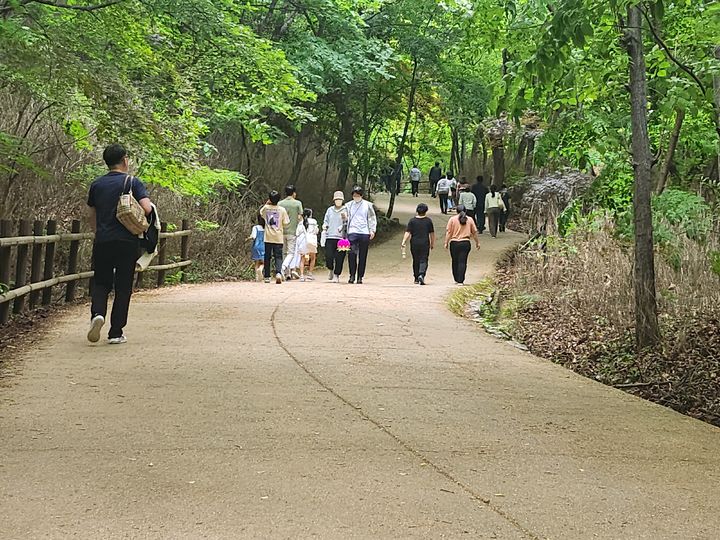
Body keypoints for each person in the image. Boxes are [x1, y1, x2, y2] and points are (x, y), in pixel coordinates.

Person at [86, 144, 152, 344]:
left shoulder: (96, 185)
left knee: (101, 282)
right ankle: (115, 332)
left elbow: (91, 215)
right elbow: (147, 208)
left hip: (103, 240)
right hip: (127, 241)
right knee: (123, 287)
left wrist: (98, 233)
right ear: (124, 160)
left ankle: (98, 314)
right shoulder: (132, 182)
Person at [345, 186, 377, 284]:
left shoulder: (368, 205)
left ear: (361, 195)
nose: (356, 196)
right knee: (351, 254)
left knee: (363, 255)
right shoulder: (348, 205)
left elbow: (372, 218)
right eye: (354, 195)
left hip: (364, 232)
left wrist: (372, 230)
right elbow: (345, 218)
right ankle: (352, 275)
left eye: (358, 195)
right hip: (352, 231)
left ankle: (360, 276)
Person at [444, 204, 480, 285]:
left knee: (455, 261)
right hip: (465, 243)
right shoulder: (470, 219)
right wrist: (477, 242)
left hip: (454, 243)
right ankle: (461, 280)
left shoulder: (452, 219)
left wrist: (446, 242)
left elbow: (449, 232)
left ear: (456, 211)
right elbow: (474, 232)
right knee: (462, 261)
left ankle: (456, 278)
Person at [259, 190, 290, 284]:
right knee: (278, 256)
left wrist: (266, 203)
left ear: (270, 199)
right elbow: (286, 223)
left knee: (267, 256)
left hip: (268, 237)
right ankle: (278, 273)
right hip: (278, 237)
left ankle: (267, 276)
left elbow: (261, 213)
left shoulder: (266, 208)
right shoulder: (282, 209)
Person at [401, 203, 435, 285]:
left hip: (414, 243)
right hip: (425, 243)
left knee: (415, 260)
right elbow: (432, 234)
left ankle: (416, 278)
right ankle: (421, 274)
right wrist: (432, 243)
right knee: (424, 259)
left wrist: (404, 241)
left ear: (417, 211)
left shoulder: (412, 221)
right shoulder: (428, 221)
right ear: (426, 211)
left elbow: (408, 232)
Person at [322, 191, 348, 283]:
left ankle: (337, 275)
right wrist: (325, 226)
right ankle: (330, 269)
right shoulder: (330, 210)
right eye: (336, 199)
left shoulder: (346, 209)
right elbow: (326, 220)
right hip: (330, 236)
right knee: (329, 256)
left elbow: (349, 222)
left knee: (339, 257)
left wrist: (345, 220)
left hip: (342, 238)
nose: (338, 201)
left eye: (340, 199)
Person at [278, 185, 304, 279]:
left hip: (281, 231)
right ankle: (283, 268)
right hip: (292, 231)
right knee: (291, 253)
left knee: (284, 252)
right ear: (294, 193)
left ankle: (287, 273)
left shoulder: (280, 203)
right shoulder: (297, 203)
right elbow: (300, 217)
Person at [289, 211, 308, 282]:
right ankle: (300, 273)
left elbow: (297, 233)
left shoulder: (300, 224)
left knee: (297, 256)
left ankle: (296, 271)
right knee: (302, 258)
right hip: (305, 243)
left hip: (299, 242)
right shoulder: (306, 223)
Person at [248, 214, 265, 282]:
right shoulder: (267, 228)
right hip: (264, 246)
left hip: (256, 246)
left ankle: (257, 277)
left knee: (257, 262)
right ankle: (260, 269)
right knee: (263, 262)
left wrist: (249, 238)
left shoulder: (255, 227)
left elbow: (253, 236)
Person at [303, 209, 319, 280]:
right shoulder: (314, 221)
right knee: (313, 257)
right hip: (312, 240)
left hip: (304, 240)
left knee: (303, 257)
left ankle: (302, 273)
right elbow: (316, 231)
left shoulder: (302, 221)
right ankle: (310, 273)